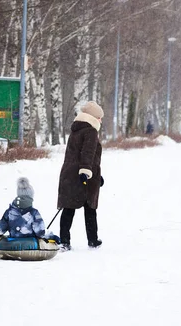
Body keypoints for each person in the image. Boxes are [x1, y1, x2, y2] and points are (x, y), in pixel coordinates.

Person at [57, 101, 105, 251]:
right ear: (93, 117)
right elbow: (87, 153)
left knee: (68, 207)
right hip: (83, 175)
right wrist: (86, 171)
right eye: (99, 117)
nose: (101, 120)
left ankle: (64, 240)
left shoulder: (76, 130)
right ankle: (93, 240)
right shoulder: (90, 131)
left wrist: (96, 174)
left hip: (69, 174)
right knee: (90, 208)